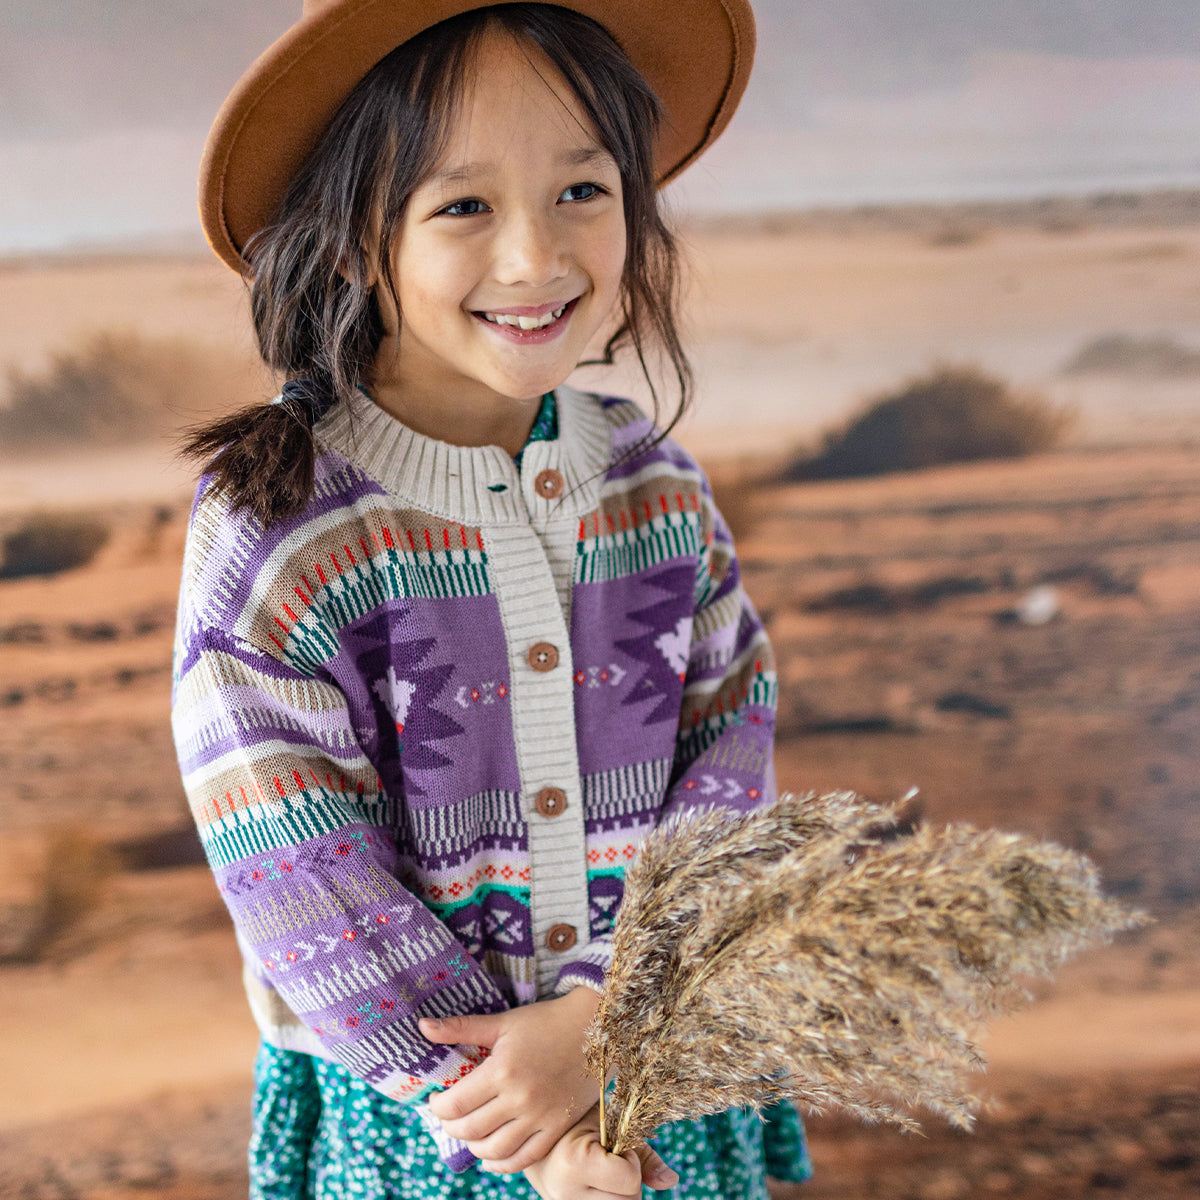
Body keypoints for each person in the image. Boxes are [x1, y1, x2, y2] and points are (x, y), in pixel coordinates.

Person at [172, 2, 811, 1197]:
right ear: (356, 237)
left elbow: (732, 760)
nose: (537, 258)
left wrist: (614, 1030)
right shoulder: (282, 527)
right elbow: (293, 860)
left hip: (663, 1077)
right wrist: (531, 1120)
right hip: (432, 1124)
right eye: (463, 205)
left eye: (583, 189)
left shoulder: (655, 485)